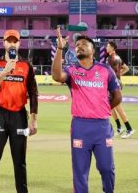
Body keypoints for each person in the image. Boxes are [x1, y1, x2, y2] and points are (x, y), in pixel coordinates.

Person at [52, 28, 122, 193]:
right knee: (80, 172)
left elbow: (117, 96)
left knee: (107, 168)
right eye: (77, 45)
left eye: (84, 44)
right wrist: (60, 49)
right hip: (80, 126)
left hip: (102, 126)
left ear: (93, 51)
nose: (79, 47)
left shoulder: (105, 70)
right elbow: (56, 76)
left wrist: (101, 108)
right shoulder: (72, 70)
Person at [0, 29, 38, 193]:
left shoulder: (26, 65)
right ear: (4, 42)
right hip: (0, 115)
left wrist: (33, 119)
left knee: (20, 161)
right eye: (9, 40)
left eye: (15, 41)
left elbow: (33, 93)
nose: (12, 43)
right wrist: (5, 71)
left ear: (19, 44)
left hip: (19, 116)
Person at [106, 41, 135, 138]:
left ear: (112, 48)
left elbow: (108, 73)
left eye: (108, 46)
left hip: (113, 85)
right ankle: (119, 127)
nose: (106, 47)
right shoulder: (117, 57)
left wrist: (115, 76)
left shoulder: (110, 59)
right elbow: (126, 68)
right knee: (112, 106)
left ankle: (129, 129)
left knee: (118, 107)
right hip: (116, 83)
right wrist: (118, 75)